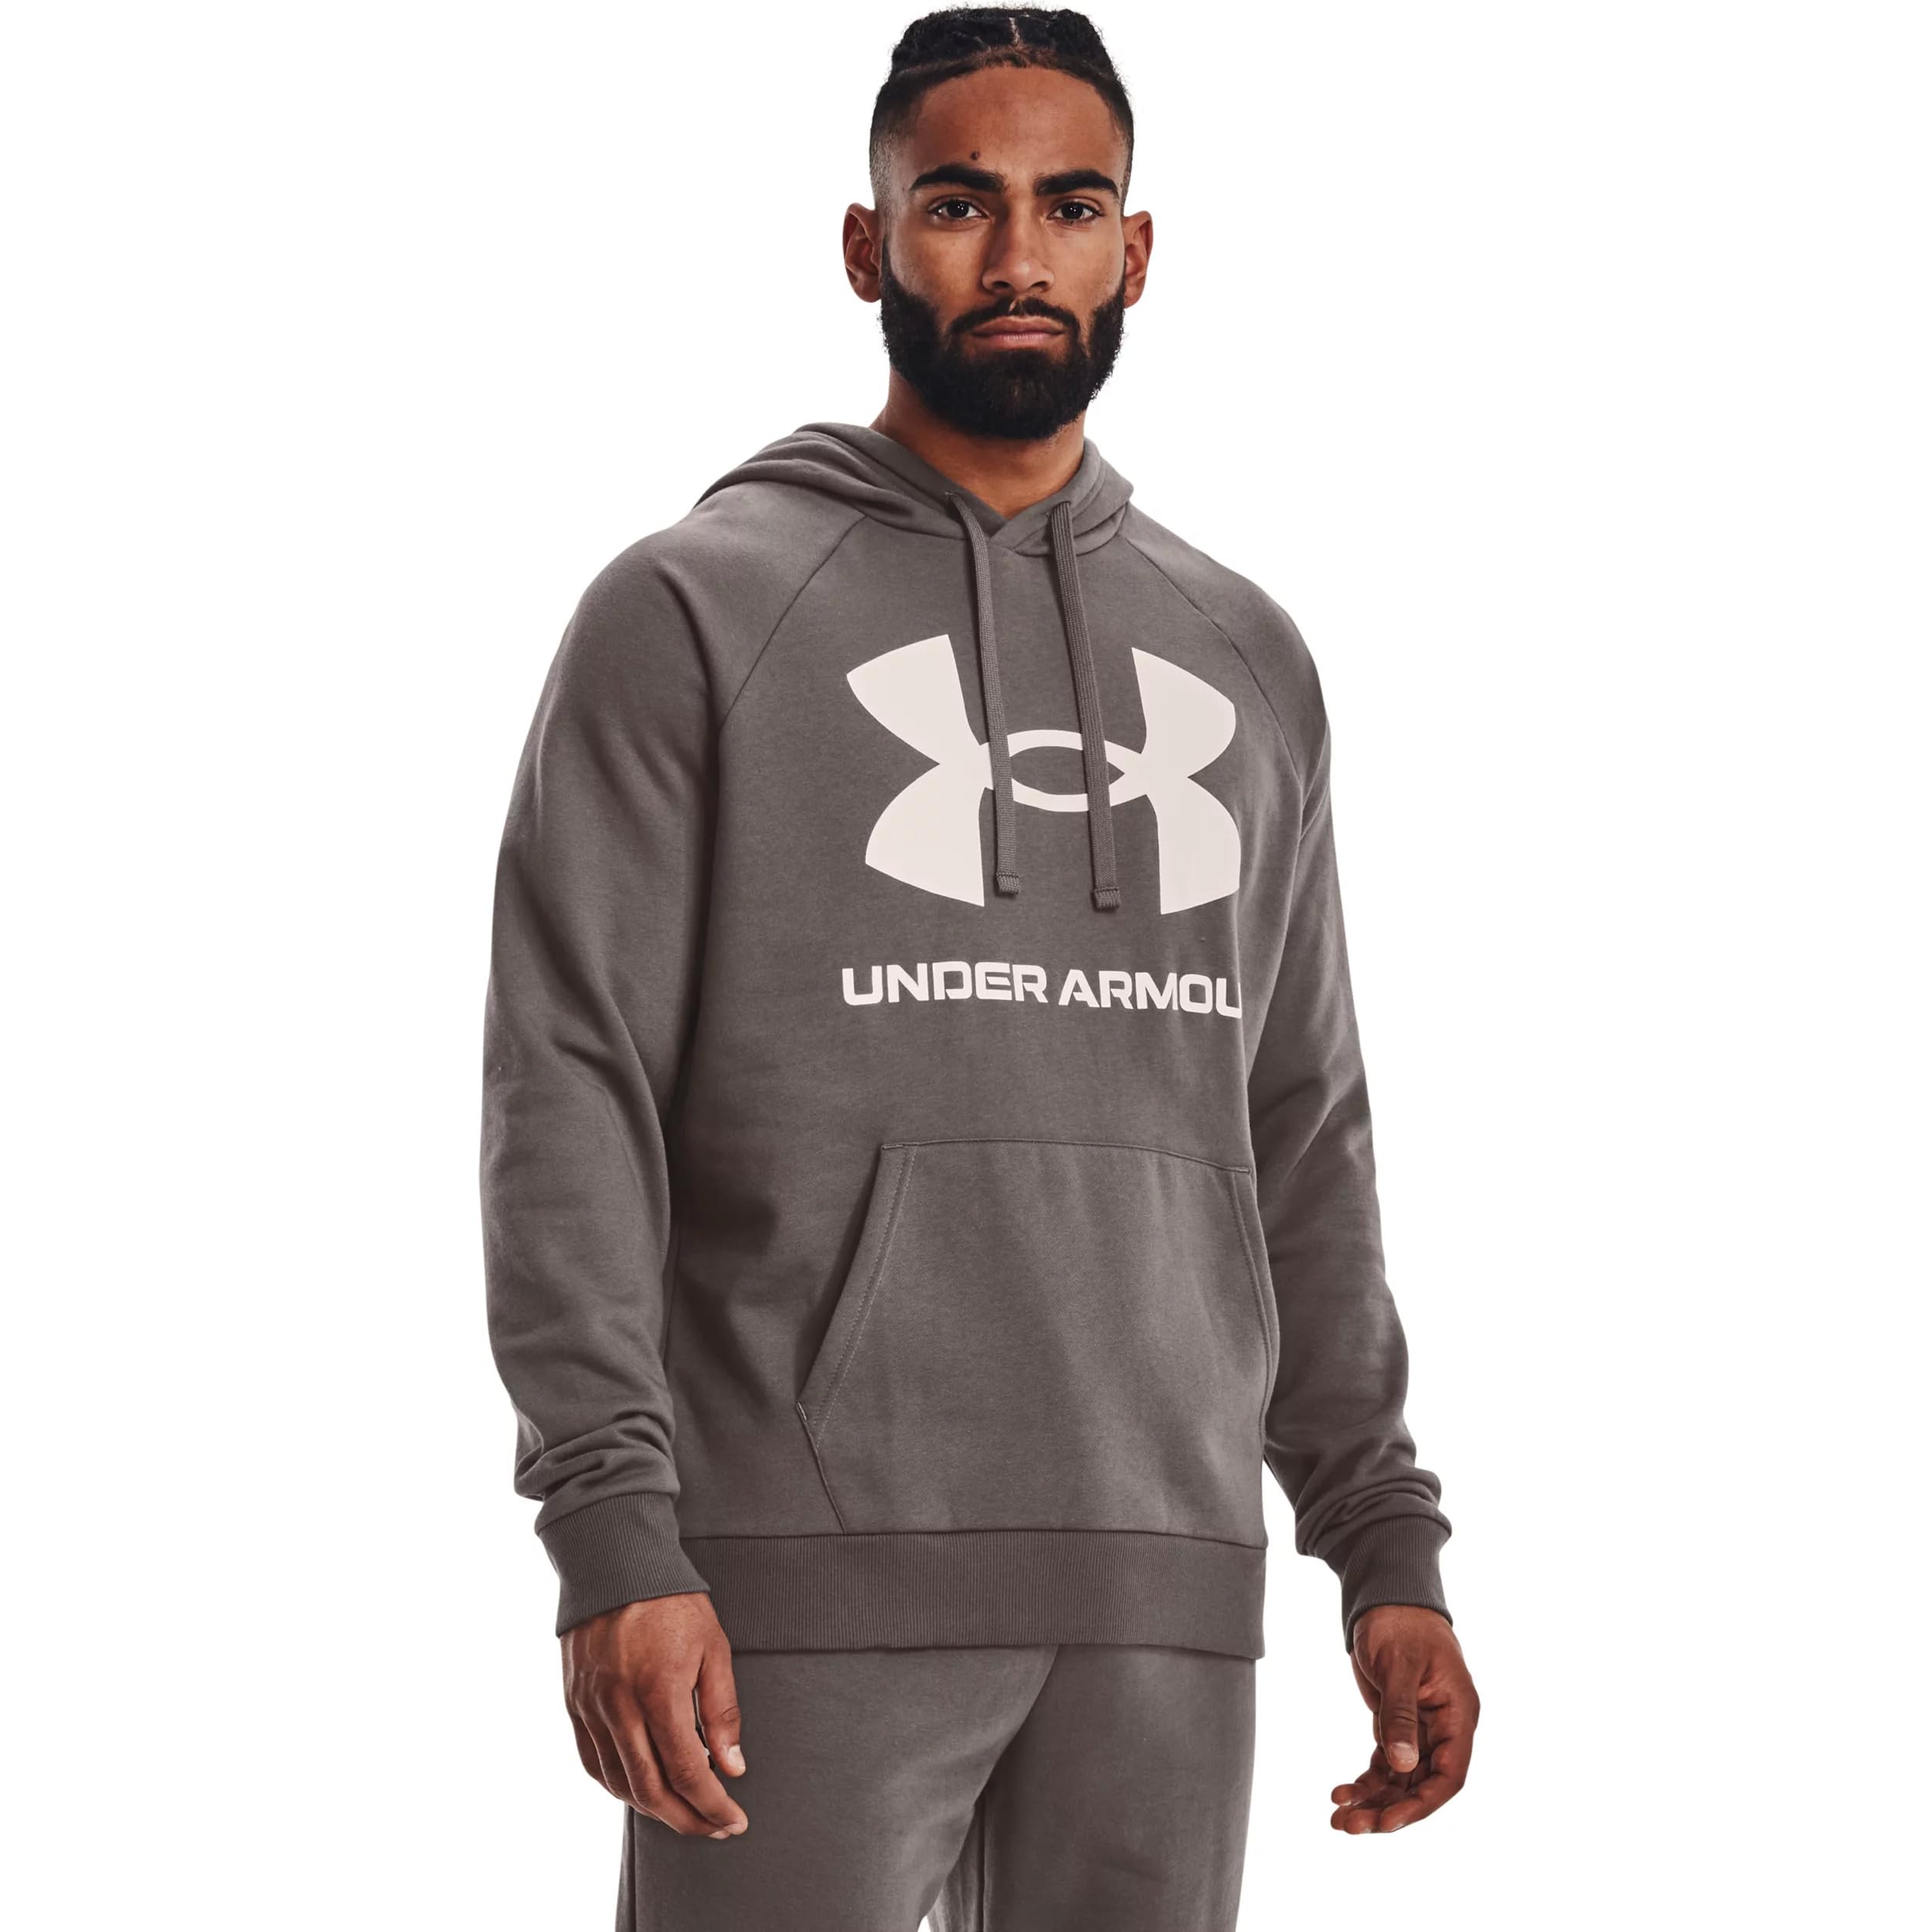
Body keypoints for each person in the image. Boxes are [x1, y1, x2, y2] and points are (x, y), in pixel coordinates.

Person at [480, 8, 1478, 1925]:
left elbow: (1301, 1132)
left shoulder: (1242, 654)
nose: (1016, 254)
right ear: (867, 245)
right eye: (957, 204)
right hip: (791, 1578)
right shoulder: (688, 612)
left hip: (1164, 1586)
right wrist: (610, 1531)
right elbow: (569, 1089)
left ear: (1136, 250)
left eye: (1068, 205)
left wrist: (1382, 1541)